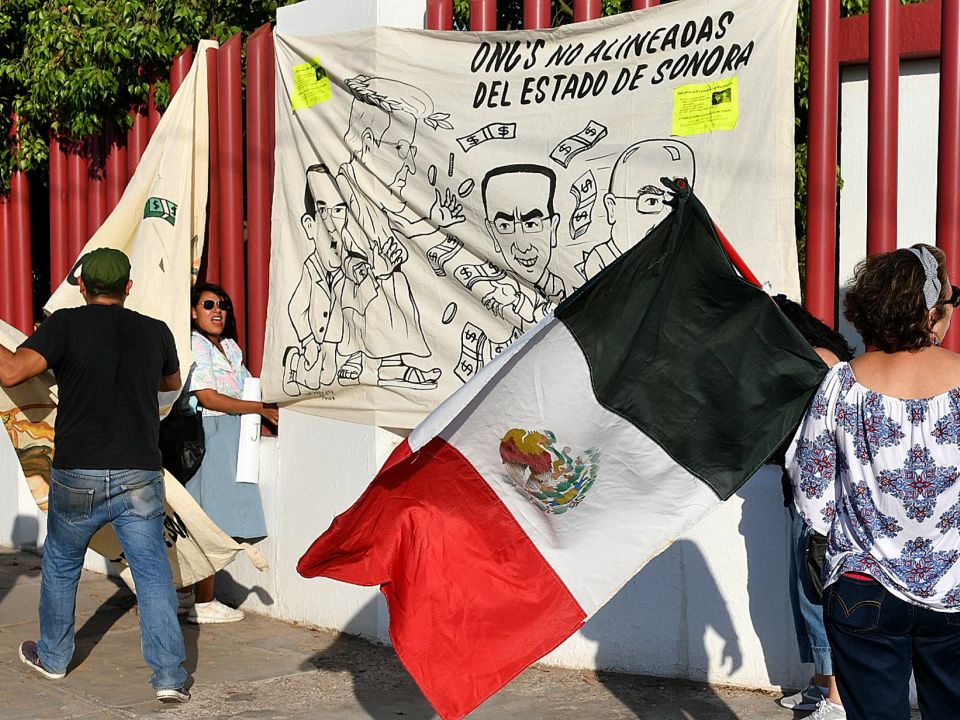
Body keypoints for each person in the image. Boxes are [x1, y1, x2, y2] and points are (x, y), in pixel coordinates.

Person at [0, 248, 190, 703]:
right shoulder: (155, 332)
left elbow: (10, 373)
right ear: (128, 288)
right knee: (151, 574)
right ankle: (168, 677)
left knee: (63, 566)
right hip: (139, 472)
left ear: (82, 287)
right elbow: (171, 383)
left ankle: (54, 658)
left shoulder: (65, 325)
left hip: (78, 471)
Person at [787, 244, 960, 720]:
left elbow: (811, 495)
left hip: (864, 588)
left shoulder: (841, 385)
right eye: (950, 301)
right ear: (931, 315)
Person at [772, 294, 853, 719]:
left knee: (819, 592)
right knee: (804, 592)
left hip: (822, 497)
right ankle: (823, 686)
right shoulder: (811, 357)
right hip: (803, 492)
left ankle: (836, 701)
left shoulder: (820, 359)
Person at [180, 282, 277, 624]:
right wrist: (259, 409)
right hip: (210, 432)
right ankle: (202, 602)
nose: (217, 311)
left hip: (232, 434)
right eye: (208, 305)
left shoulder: (230, 347)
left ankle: (188, 596)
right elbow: (207, 397)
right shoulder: (194, 344)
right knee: (211, 520)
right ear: (194, 311)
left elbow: (245, 384)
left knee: (213, 518)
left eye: (222, 305)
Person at [578, 138, 695, 281]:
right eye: (651, 201)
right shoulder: (602, 261)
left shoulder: (683, 261)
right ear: (612, 208)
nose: (666, 216)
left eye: (677, 203)